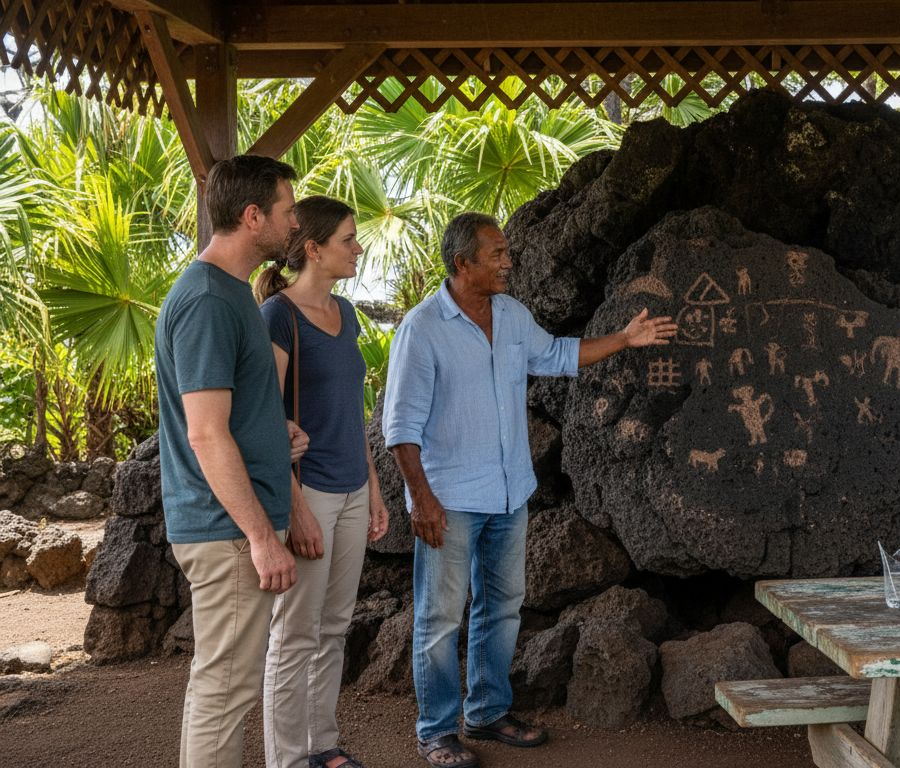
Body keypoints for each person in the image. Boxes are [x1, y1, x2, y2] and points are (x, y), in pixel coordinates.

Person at [383, 213, 676, 768]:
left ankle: (488, 712)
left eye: (507, 251)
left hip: (509, 493)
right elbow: (401, 429)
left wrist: (626, 338)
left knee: (503, 607)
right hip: (450, 501)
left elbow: (560, 356)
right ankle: (437, 732)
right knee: (440, 617)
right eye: (496, 253)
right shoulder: (422, 329)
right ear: (461, 262)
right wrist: (421, 499)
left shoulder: (513, 316)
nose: (508, 261)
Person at [154, 154, 305, 768]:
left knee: (226, 686)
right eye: (288, 210)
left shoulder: (230, 292)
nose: (295, 223)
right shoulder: (211, 300)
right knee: (225, 691)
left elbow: (229, 416)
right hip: (228, 532)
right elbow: (207, 435)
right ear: (252, 217)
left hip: (231, 526)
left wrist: (275, 432)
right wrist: (262, 538)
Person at [254, 196, 391, 768]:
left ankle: (322, 745)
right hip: (306, 491)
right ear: (313, 249)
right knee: (294, 634)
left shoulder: (349, 314)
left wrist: (375, 488)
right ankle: (287, 759)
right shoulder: (278, 316)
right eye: (347, 240)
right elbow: (266, 418)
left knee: (333, 628)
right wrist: (296, 508)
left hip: (353, 487)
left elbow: (350, 409)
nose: (357, 248)